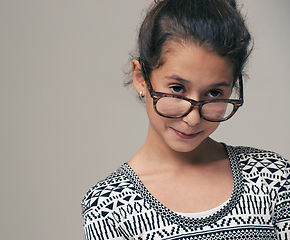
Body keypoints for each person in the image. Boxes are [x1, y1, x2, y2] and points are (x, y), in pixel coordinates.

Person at [81, 0, 290, 239]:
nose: (193, 118)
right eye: (178, 89)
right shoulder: (109, 208)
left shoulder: (272, 178)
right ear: (141, 77)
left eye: (214, 94)